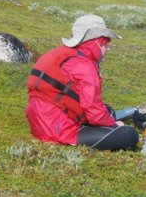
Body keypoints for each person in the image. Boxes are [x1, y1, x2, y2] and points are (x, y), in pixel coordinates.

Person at [26, 14, 139, 151]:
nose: (108, 48)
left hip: (41, 123)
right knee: (129, 135)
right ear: (95, 42)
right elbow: (94, 112)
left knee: (107, 110)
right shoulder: (84, 66)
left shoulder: (62, 54)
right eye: (105, 43)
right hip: (59, 131)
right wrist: (114, 125)